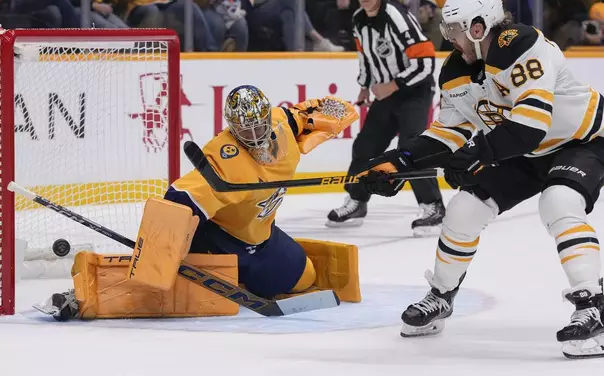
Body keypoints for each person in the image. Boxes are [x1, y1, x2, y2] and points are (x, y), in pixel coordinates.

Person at [359, 0, 604, 359]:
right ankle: (442, 297)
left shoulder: (522, 44)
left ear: (480, 27)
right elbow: (449, 131)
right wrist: (399, 161)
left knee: (559, 202)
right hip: (521, 152)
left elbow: (530, 126)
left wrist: (476, 154)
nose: (450, 38)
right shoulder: (455, 71)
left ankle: (593, 310)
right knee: (465, 208)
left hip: (580, 143)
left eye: (456, 30)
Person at [38, 86, 361, 321]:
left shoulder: (285, 122)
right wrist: (160, 255)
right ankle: (88, 294)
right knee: (165, 288)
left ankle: (235, 275)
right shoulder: (224, 157)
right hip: (219, 239)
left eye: (259, 126)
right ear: (232, 129)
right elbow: (177, 200)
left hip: (261, 238)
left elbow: (336, 108)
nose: (255, 136)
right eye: (244, 131)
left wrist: (331, 116)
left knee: (304, 276)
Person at [326, 0, 445, 237]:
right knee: (365, 147)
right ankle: (357, 200)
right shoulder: (358, 19)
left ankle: (432, 206)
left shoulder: (396, 16)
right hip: (387, 93)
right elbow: (366, 57)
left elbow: (426, 61)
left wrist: (393, 85)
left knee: (411, 147)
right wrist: (364, 86)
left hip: (414, 91)